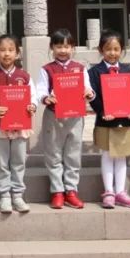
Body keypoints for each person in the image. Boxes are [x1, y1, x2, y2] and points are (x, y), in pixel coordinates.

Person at [36, 28, 94, 210]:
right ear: (52, 48)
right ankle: (57, 191)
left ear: (73, 48)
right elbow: (40, 90)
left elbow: (88, 88)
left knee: (73, 155)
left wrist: (89, 93)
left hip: (75, 117)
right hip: (53, 116)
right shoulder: (47, 69)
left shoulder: (80, 68)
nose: (63, 50)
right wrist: (46, 98)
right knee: (53, 154)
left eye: (67, 46)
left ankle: (71, 191)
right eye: (59, 46)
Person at [0, 34, 36, 214]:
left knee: (19, 161)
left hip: (20, 127)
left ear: (18, 53)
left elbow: (33, 96)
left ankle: (18, 194)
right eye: (2, 50)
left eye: (11, 50)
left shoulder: (24, 76)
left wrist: (32, 106)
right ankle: (4, 195)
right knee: (1, 162)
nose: (6, 54)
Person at [88, 30, 130, 209]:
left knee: (121, 156)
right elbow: (93, 96)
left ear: (122, 50)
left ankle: (120, 192)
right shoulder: (94, 72)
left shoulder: (129, 71)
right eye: (108, 49)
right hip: (105, 120)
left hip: (126, 120)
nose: (112, 53)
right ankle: (109, 192)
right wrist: (102, 110)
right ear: (101, 50)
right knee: (107, 155)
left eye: (116, 49)